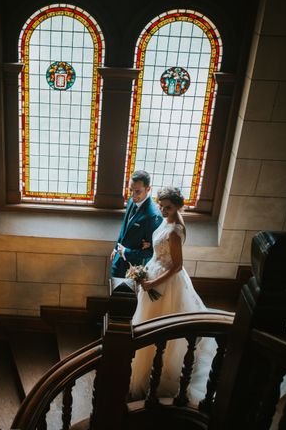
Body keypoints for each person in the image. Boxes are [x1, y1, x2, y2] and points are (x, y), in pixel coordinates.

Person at [128, 186, 215, 405]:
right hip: (155, 269)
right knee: (147, 321)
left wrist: (152, 283)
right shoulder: (167, 221)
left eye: (168, 207)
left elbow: (177, 265)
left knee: (158, 326)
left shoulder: (176, 230)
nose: (163, 210)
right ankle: (142, 367)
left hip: (166, 282)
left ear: (178, 206)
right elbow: (161, 248)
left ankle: (157, 376)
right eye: (161, 205)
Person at [110, 170, 163, 278]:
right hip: (118, 260)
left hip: (135, 268)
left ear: (148, 189)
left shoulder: (153, 216)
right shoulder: (131, 201)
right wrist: (116, 248)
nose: (132, 195)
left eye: (137, 191)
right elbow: (125, 227)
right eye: (130, 190)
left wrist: (126, 252)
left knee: (126, 295)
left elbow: (151, 251)